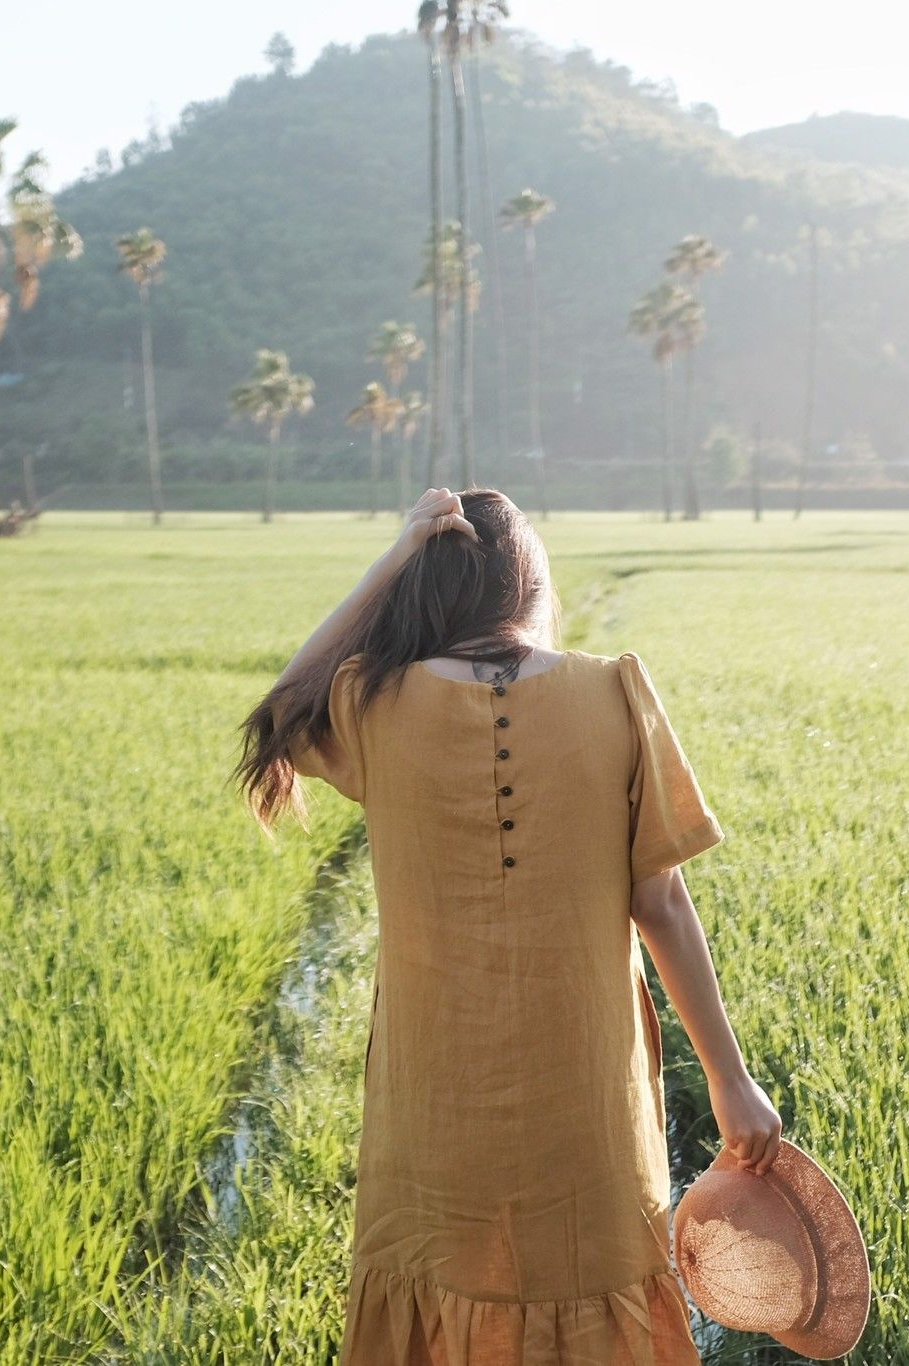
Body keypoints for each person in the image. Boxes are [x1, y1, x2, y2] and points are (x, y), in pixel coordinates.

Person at [237, 487, 781, 1364]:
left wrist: (390, 562)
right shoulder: (614, 693)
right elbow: (662, 904)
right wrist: (730, 1081)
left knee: (437, 1300)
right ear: (535, 586)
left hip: (433, 1110)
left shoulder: (371, 704)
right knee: (599, 1297)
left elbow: (279, 710)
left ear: (430, 590)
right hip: (589, 1104)